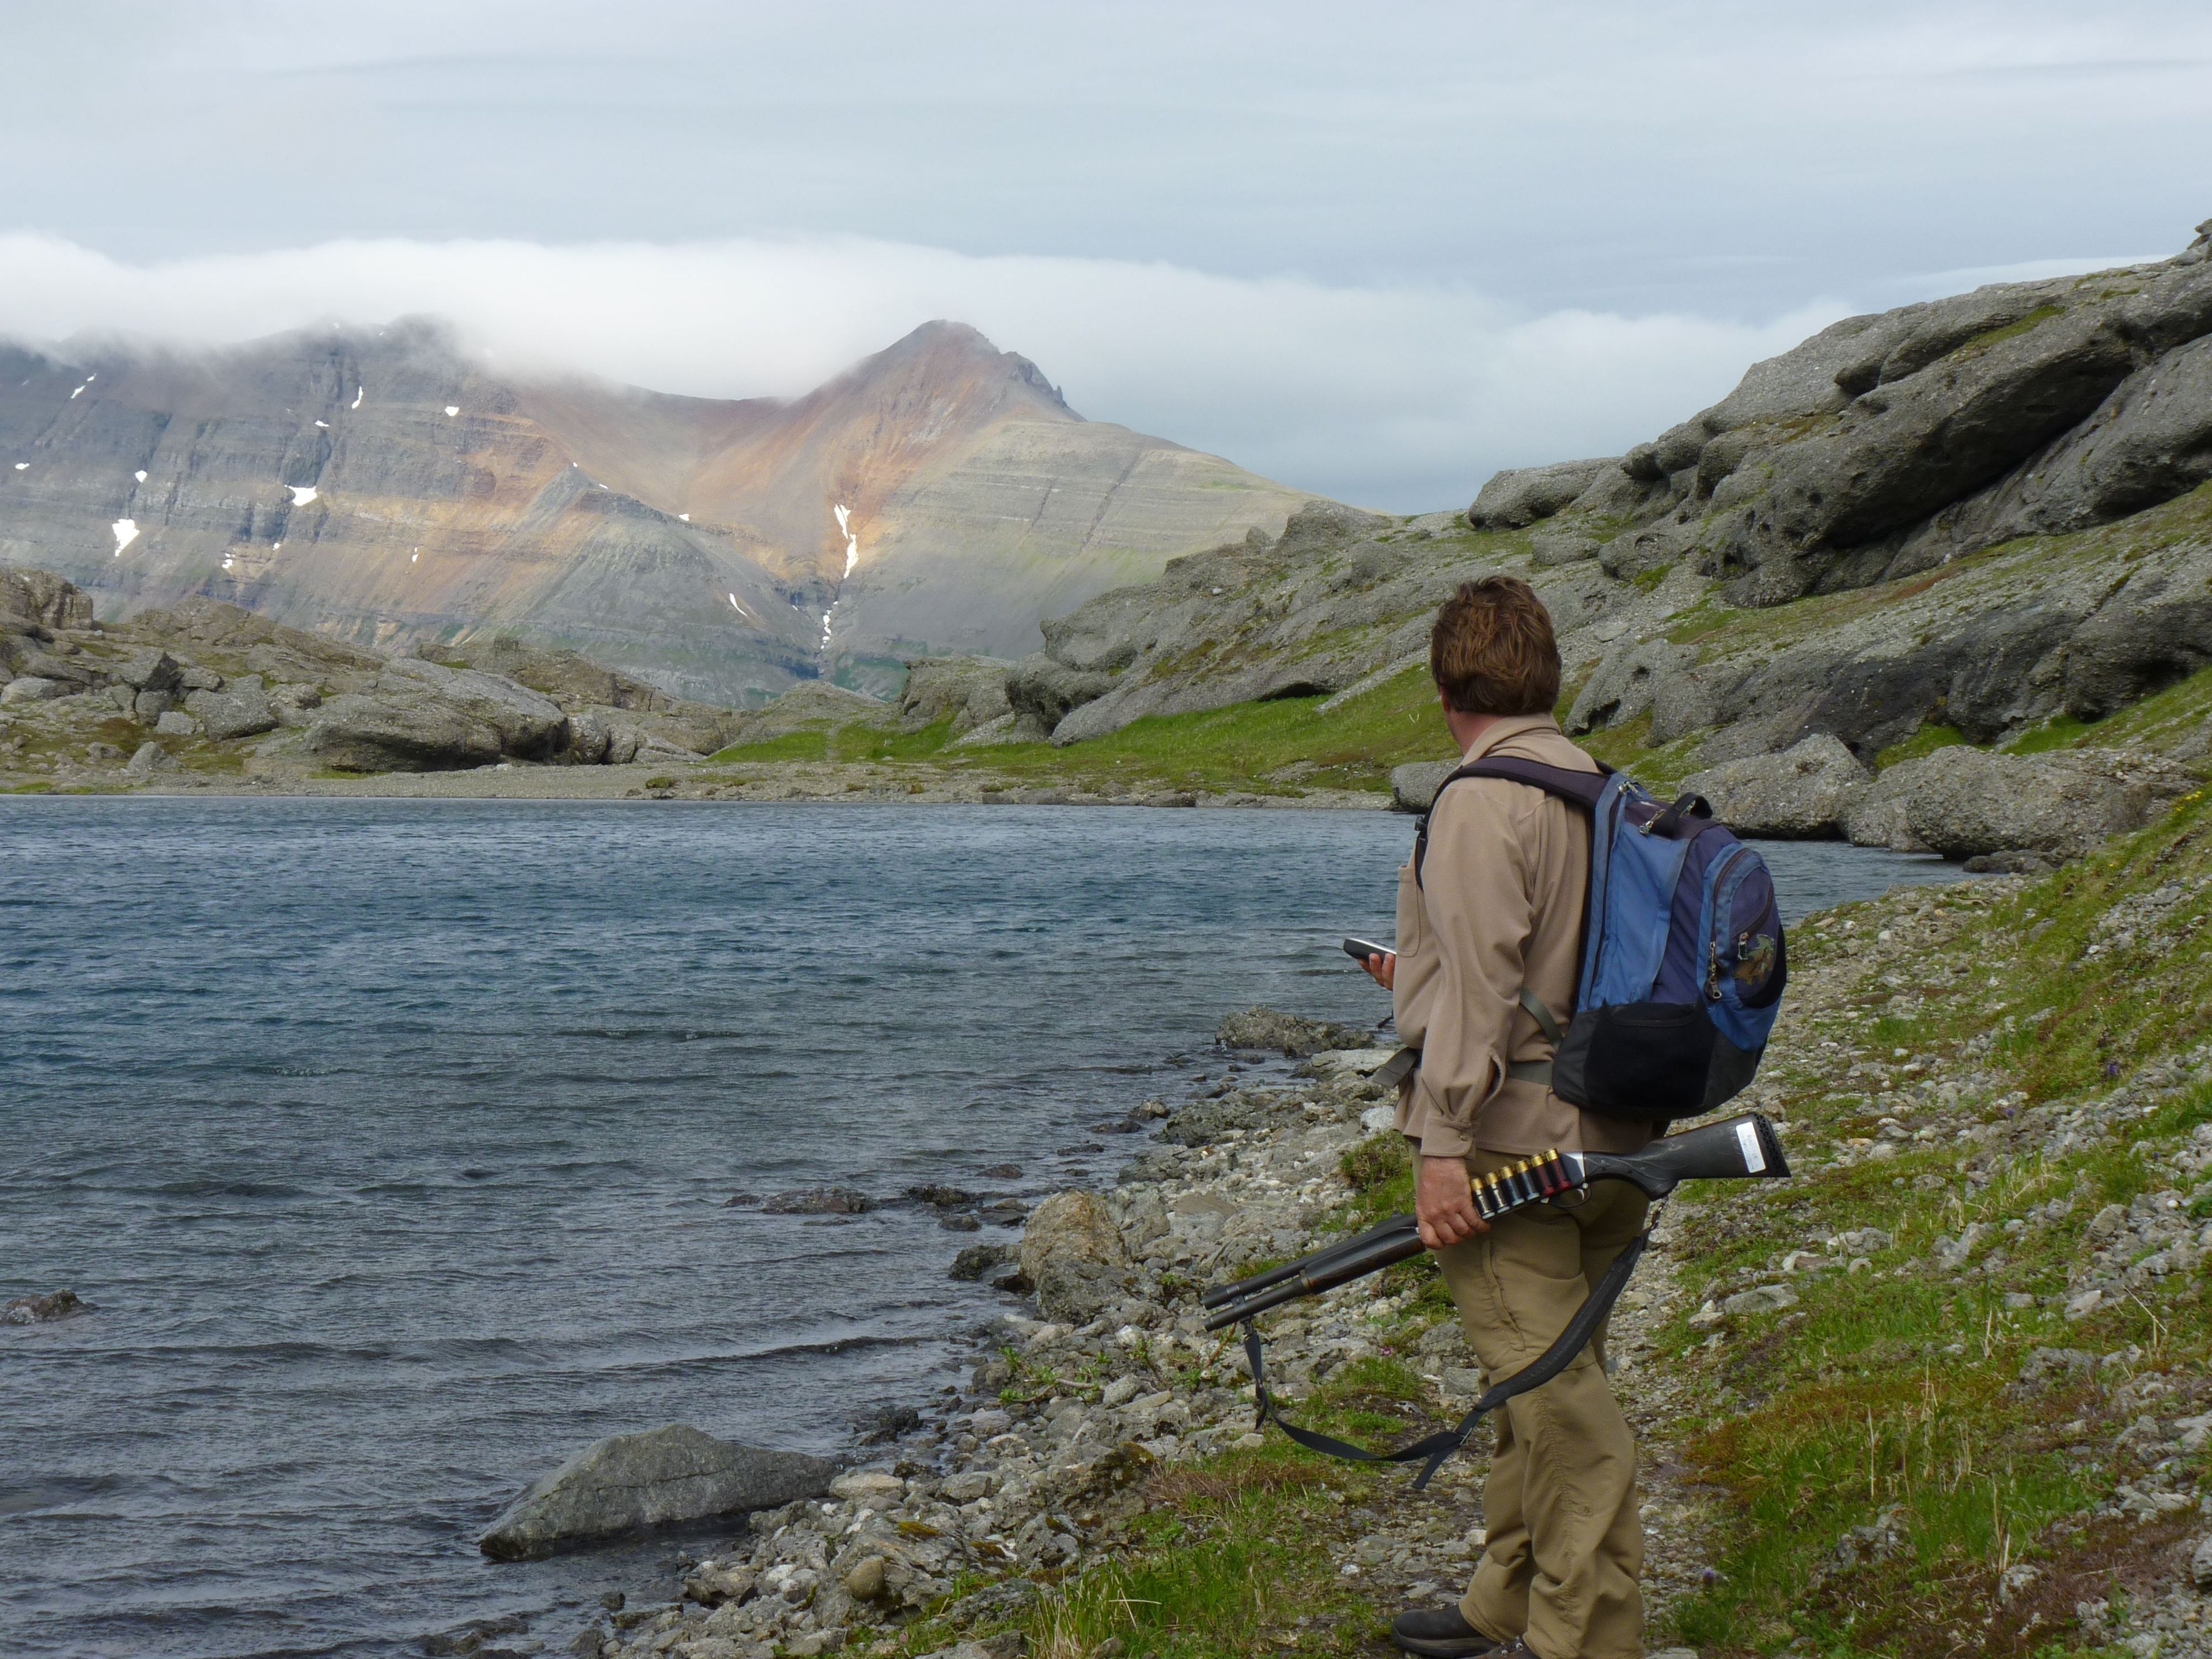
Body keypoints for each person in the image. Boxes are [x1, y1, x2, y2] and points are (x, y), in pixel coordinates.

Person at [1361, 576, 1661, 1659]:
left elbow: (1486, 991)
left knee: (1562, 1410)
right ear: (1546, 675)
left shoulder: (1482, 799)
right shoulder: (1601, 785)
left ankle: (1586, 1641)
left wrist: (1443, 1147)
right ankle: (1505, 1601)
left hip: (1514, 1149)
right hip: (1621, 1137)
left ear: (1448, 688)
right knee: (1534, 1382)